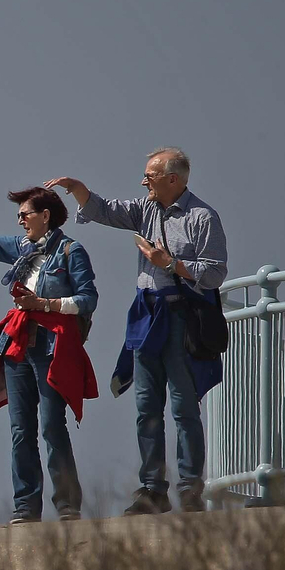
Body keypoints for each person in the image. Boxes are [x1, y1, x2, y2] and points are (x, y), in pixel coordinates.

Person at [46, 149, 228, 515]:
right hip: (146, 313)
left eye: (151, 175)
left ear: (173, 179)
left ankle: (190, 489)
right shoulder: (145, 209)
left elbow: (214, 273)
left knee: (183, 406)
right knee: (146, 407)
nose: (144, 181)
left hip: (180, 315)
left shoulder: (201, 217)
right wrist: (78, 190)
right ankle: (152, 489)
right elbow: (106, 209)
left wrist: (171, 264)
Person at [0, 187, 99, 524]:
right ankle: (26, 506)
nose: (20, 220)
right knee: (21, 430)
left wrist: (44, 305)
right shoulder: (24, 249)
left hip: (51, 348)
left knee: (53, 426)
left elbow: (88, 299)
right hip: (18, 347)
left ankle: (68, 505)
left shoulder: (71, 251)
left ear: (45, 216)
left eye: (25, 214)